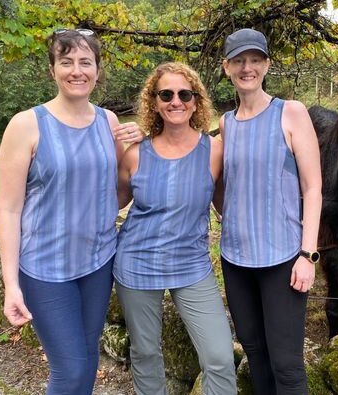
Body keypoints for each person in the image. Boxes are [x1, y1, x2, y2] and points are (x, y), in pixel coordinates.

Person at [0, 28, 144, 395]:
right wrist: (11, 285)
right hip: (46, 270)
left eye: (85, 62)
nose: (76, 71)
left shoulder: (109, 122)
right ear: (52, 70)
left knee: (87, 364)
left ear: (97, 69)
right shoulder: (26, 125)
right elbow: (10, 211)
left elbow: (115, 194)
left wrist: (141, 149)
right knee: (71, 370)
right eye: (66, 62)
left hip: (97, 263)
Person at [113, 62, 237, 395]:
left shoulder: (215, 151)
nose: (175, 101)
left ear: (196, 101)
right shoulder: (136, 154)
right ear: (153, 102)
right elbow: (112, 202)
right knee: (145, 353)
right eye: (165, 94)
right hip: (136, 263)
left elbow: (227, 204)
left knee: (219, 357)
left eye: (184, 94)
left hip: (192, 265)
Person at [218, 28, 322, 394]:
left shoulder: (290, 113)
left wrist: (308, 254)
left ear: (267, 65)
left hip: (283, 260)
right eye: (239, 61)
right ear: (226, 67)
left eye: (255, 60)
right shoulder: (225, 124)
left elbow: (313, 188)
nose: (248, 67)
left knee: (287, 364)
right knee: (255, 352)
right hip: (236, 260)